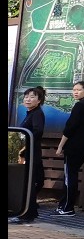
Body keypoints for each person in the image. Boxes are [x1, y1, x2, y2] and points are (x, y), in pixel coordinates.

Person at [55, 80, 84, 215]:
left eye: (79, 90)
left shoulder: (80, 106)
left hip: (73, 146)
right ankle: (63, 204)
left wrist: (60, 146)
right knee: (71, 174)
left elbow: (70, 128)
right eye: (74, 90)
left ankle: (67, 207)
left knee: (70, 176)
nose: (75, 92)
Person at [10, 86, 47, 224]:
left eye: (32, 97)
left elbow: (37, 132)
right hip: (27, 153)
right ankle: (29, 212)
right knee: (27, 183)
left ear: (39, 100)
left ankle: (27, 213)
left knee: (29, 183)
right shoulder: (30, 113)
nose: (28, 99)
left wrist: (25, 148)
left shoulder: (37, 114)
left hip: (31, 154)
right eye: (26, 97)